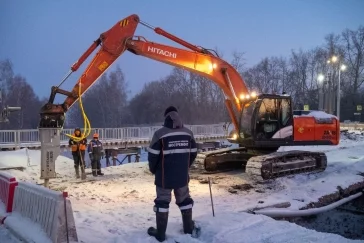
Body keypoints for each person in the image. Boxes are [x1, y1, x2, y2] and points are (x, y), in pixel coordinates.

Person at [147, 106, 198, 242]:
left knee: (162, 201)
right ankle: (188, 228)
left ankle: (161, 233)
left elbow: (153, 156)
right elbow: (193, 152)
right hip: (182, 176)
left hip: (164, 177)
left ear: (166, 118)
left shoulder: (159, 134)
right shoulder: (188, 133)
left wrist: (154, 169)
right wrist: (184, 166)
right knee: (185, 199)